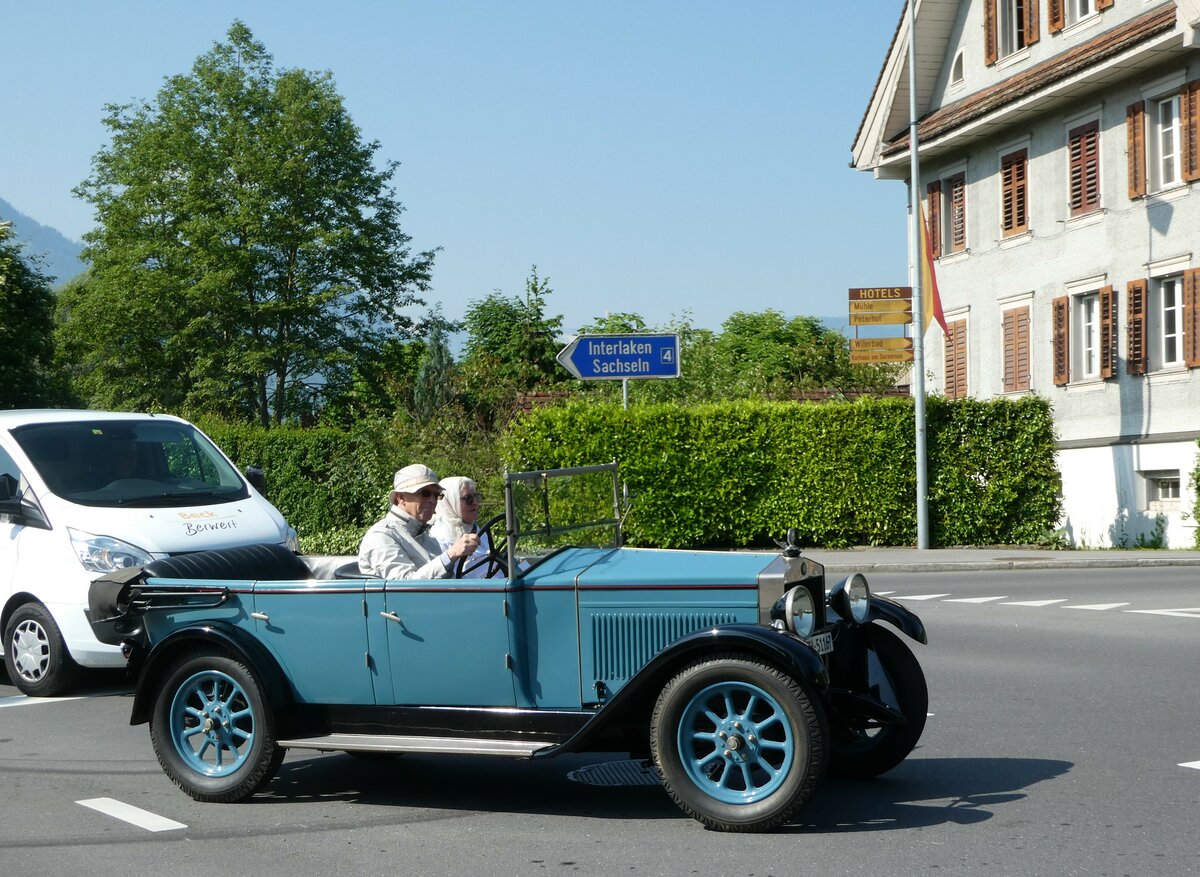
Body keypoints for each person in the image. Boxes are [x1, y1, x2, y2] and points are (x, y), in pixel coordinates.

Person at [358, 464, 479, 579]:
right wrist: (451, 554)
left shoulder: (427, 539)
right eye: (425, 493)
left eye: (436, 495)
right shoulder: (381, 536)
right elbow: (403, 587)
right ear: (400, 498)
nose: (432, 500)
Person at [429, 476, 498, 578]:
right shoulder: (438, 539)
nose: (475, 502)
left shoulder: (476, 530)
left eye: (476, 497)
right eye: (468, 499)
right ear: (451, 502)